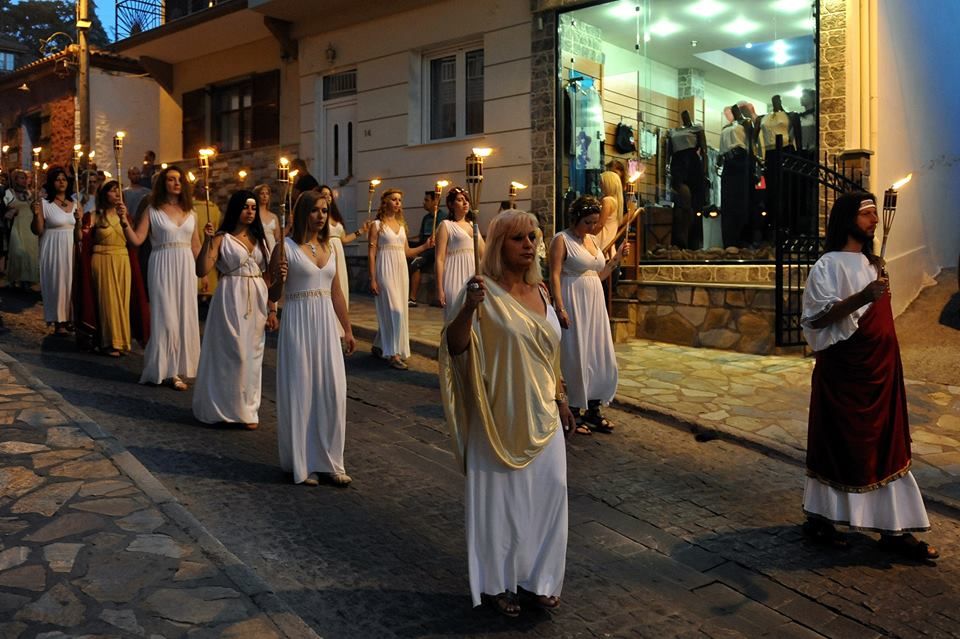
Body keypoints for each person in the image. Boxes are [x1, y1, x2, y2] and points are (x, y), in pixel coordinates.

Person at [440, 209, 577, 617]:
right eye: (518, 239)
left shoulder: (544, 293)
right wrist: (468, 308)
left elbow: (552, 355)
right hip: (498, 412)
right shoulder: (482, 291)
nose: (529, 245)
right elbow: (455, 347)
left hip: (545, 412)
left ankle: (540, 580)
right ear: (500, 245)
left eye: (533, 237)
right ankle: (497, 584)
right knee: (501, 502)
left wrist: (563, 398)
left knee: (550, 493)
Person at [800, 191, 938, 560]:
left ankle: (896, 530)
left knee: (887, 447)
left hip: (881, 371)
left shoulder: (876, 264)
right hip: (845, 375)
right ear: (847, 219)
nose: (875, 220)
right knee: (839, 445)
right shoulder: (827, 266)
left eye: (877, 214)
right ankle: (822, 520)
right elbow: (815, 320)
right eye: (867, 214)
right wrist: (862, 297)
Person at [270, 190, 356, 486]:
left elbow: (336, 292)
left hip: (326, 327)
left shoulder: (331, 248)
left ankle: (332, 460)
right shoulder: (285, 248)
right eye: (315, 211)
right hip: (297, 323)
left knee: (332, 391)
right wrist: (279, 279)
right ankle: (303, 462)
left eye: (325, 211)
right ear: (303, 212)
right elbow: (272, 295)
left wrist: (348, 328)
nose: (321, 216)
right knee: (303, 390)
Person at [193, 190, 278, 430]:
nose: (250, 212)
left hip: (258, 298)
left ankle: (247, 410)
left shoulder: (261, 240)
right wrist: (207, 240)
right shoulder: (222, 238)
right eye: (245, 207)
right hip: (231, 296)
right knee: (233, 354)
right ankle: (222, 407)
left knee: (252, 356)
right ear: (235, 210)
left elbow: (269, 276)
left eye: (253, 208)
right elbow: (202, 270)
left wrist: (273, 310)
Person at [549, 196, 629, 434]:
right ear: (575, 219)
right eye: (588, 222)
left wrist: (617, 259)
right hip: (573, 302)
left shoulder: (593, 240)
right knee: (576, 355)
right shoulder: (561, 240)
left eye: (595, 222)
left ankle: (594, 409)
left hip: (595, 305)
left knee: (598, 355)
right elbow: (554, 275)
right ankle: (573, 411)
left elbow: (599, 274)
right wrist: (559, 307)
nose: (593, 227)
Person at [122, 166, 202, 391]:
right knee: (165, 316)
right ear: (163, 184)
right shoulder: (152, 210)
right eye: (171, 179)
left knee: (183, 315)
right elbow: (137, 239)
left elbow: (196, 248)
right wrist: (124, 221)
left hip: (186, 266)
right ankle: (165, 369)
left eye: (179, 179)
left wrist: (206, 270)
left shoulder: (192, 213)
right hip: (162, 264)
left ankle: (177, 367)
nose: (176, 183)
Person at [75, 180, 150, 355]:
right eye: (112, 191)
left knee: (122, 302)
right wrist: (78, 222)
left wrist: (124, 219)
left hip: (123, 261)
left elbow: (134, 241)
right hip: (102, 260)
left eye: (118, 190)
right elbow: (80, 238)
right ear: (103, 194)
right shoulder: (94, 216)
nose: (117, 193)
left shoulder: (125, 216)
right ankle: (109, 342)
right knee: (107, 302)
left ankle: (122, 341)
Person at [367, 188, 434, 370]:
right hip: (384, 270)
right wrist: (372, 278)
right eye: (394, 199)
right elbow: (372, 253)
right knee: (394, 310)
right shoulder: (377, 225)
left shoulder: (402, 226)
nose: (398, 203)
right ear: (385, 202)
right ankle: (393, 354)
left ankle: (379, 345)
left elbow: (407, 252)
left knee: (399, 311)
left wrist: (425, 246)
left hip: (401, 271)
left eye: (399, 200)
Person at [31, 167, 77, 335]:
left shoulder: (75, 203)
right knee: (57, 282)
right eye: (57, 179)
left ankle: (70, 317)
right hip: (53, 246)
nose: (61, 182)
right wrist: (36, 216)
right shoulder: (44, 204)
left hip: (70, 246)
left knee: (72, 282)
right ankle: (59, 321)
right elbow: (38, 230)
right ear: (52, 183)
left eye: (64, 179)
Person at [435, 186, 485, 322]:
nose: (465, 203)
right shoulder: (446, 225)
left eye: (466, 200)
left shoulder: (473, 225)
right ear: (451, 205)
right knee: (455, 315)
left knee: (473, 318)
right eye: (460, 200)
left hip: (471, 275)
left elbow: (483, 253)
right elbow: (439, 258)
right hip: (453, 274)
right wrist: (439, 288)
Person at [318, 184, 368, 315]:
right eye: (324, 194)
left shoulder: (336, 217)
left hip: (339, 254)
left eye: (329, 195)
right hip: (326, 251)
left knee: (341, 285)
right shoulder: (319, 217)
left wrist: (361, 231)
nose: (327, 197)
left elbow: (344, 239)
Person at [4, 169, 40, 289]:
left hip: (29, 226)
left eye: (25, 178)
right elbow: (3, 208)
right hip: (16, 225)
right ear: (15, 179)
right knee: (17, 251)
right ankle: (15, 277)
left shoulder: (30, 193)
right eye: (21, 178)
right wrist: (10, 211)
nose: (24, 180)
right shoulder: (9, 192)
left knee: (29, 253)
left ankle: (27, 279)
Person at [409, 190, 444, 307]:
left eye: (427, 200)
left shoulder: (442, 217)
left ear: (435, 201)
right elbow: (421, 236)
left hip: (434, 248)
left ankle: (412, 298)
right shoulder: (426, 218)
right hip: (424, 245)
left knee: (416, 263)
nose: (424, 203)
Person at [253, 183, 282, 258]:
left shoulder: (273, 216)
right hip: (259, 248)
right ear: (257, 195)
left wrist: (288, 225)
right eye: (262, 193)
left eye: (267, 193)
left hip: (272, 248)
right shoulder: (253, 215)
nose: (265, 196)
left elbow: (278, 238)